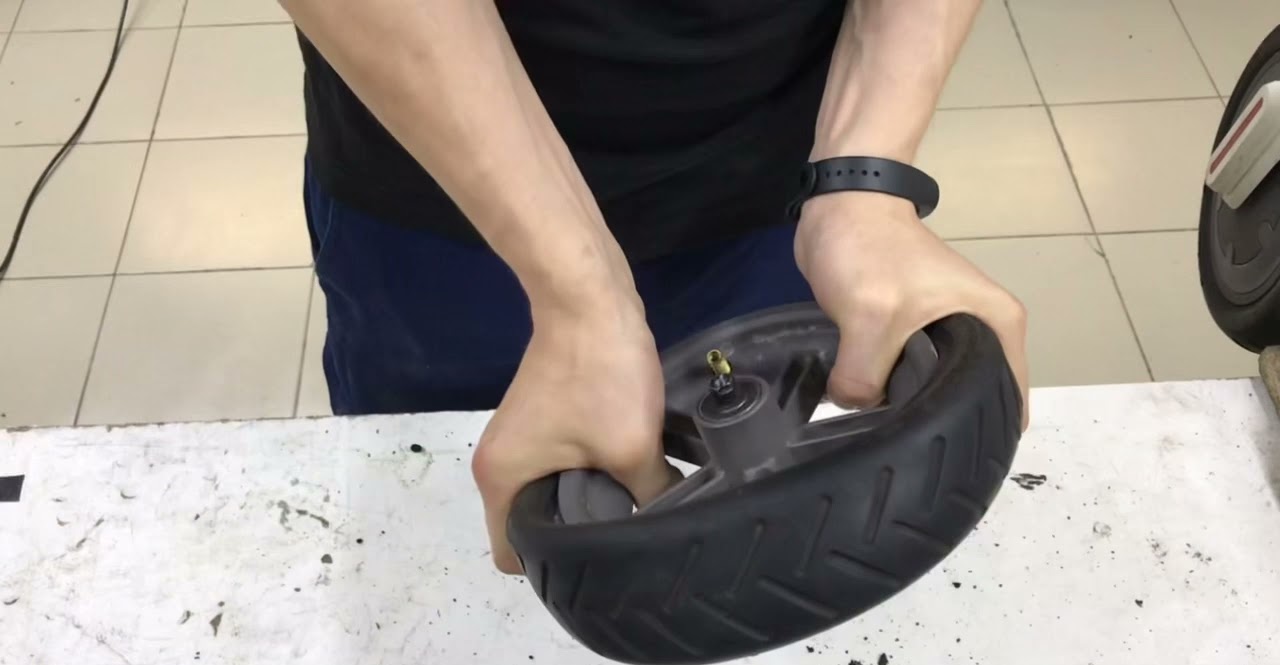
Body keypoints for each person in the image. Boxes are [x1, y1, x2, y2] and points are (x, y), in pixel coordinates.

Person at [280, 0, 1029, 573]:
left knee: (773, 536)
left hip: (783, 183)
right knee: (433, 528)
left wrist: (862, 182)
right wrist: (575, 294)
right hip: (451, 192)